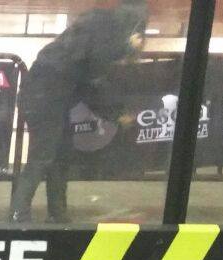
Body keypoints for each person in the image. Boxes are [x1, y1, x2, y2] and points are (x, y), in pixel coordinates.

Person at [10, 1, 148, 223]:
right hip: (48, 99)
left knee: (55, 157)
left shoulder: (97, 26)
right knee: (44, 157)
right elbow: (94, 82)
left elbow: (86, 77)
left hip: (45, 97)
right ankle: (22, 214)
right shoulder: (108, 37)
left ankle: (52, 213)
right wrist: (115, 113)